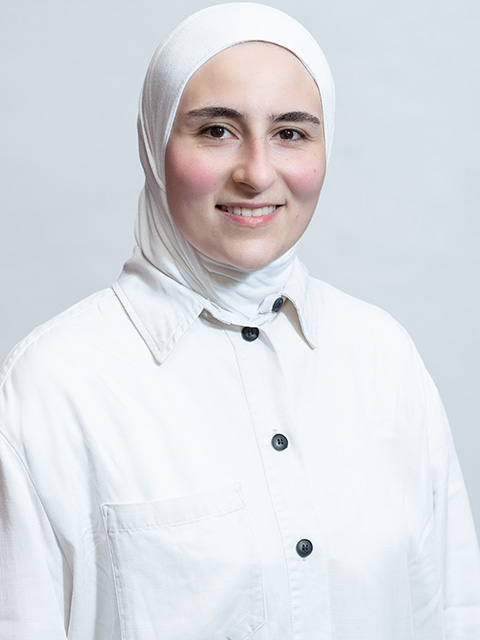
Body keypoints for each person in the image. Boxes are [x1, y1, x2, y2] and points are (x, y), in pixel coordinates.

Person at [0, 3, 479, 638]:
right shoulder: (50, 388)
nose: (256, 173)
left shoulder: (384, 359)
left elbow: (451, 615)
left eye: (291, 133)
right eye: (216, 130)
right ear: (154, 144)